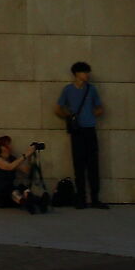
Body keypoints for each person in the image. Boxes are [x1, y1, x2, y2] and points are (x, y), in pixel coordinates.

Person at [53, 61, 109, 208]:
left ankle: (95, 198)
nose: (87, 75)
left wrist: (91, 115)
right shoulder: (68, 90)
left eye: (87, 72)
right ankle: (82, 198)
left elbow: (100, 108)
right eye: (85, 72)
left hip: (90, 129)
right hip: (77, 131)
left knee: (93, 165)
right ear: (77, 74)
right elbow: (58, 109)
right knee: (79, 165)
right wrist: (70, 116)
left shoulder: (92, 89)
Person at [0, 136, 45, 213]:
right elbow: (9, 167)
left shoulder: (12, 159)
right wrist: (25, 155)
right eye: (7, 145)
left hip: (10, 196)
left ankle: (37, 201)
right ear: (1, 147)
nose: (10, 147)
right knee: (10, 189)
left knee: (21, 187)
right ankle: (29, 202)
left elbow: (26, 170)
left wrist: (30, 155)